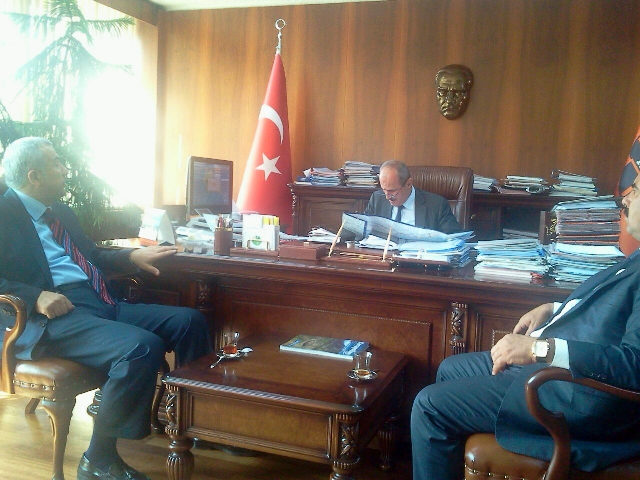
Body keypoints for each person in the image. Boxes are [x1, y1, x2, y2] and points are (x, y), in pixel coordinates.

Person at [0, 137, 213, 480]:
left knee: (190, 320)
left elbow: (91, 255)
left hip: (98, 301)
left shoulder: (60, 212)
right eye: (56, 163)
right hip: (46, 318)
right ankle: (98, 459)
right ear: (34, 176)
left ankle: (195, 424)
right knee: (140, 347)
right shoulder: (3, 213)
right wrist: (35, 295)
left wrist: (133, 256)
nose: (65, 170)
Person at [411, 161, 640, 479]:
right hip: (562, 374)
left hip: (580, 395)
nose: (625, 198)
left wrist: (540, 349)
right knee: (450, 368)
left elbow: (634, 365)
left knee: (429, 406)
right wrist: (554, 308)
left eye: (636, 190)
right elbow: (612, 311)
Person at [364, 159, 462, 234]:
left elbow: (454, 238)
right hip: (384, 254)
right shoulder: (377, 199)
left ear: (409, 184)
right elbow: (364, 231)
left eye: (392, 191)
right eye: (384, 190)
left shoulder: (437, 205)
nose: (387, 197)